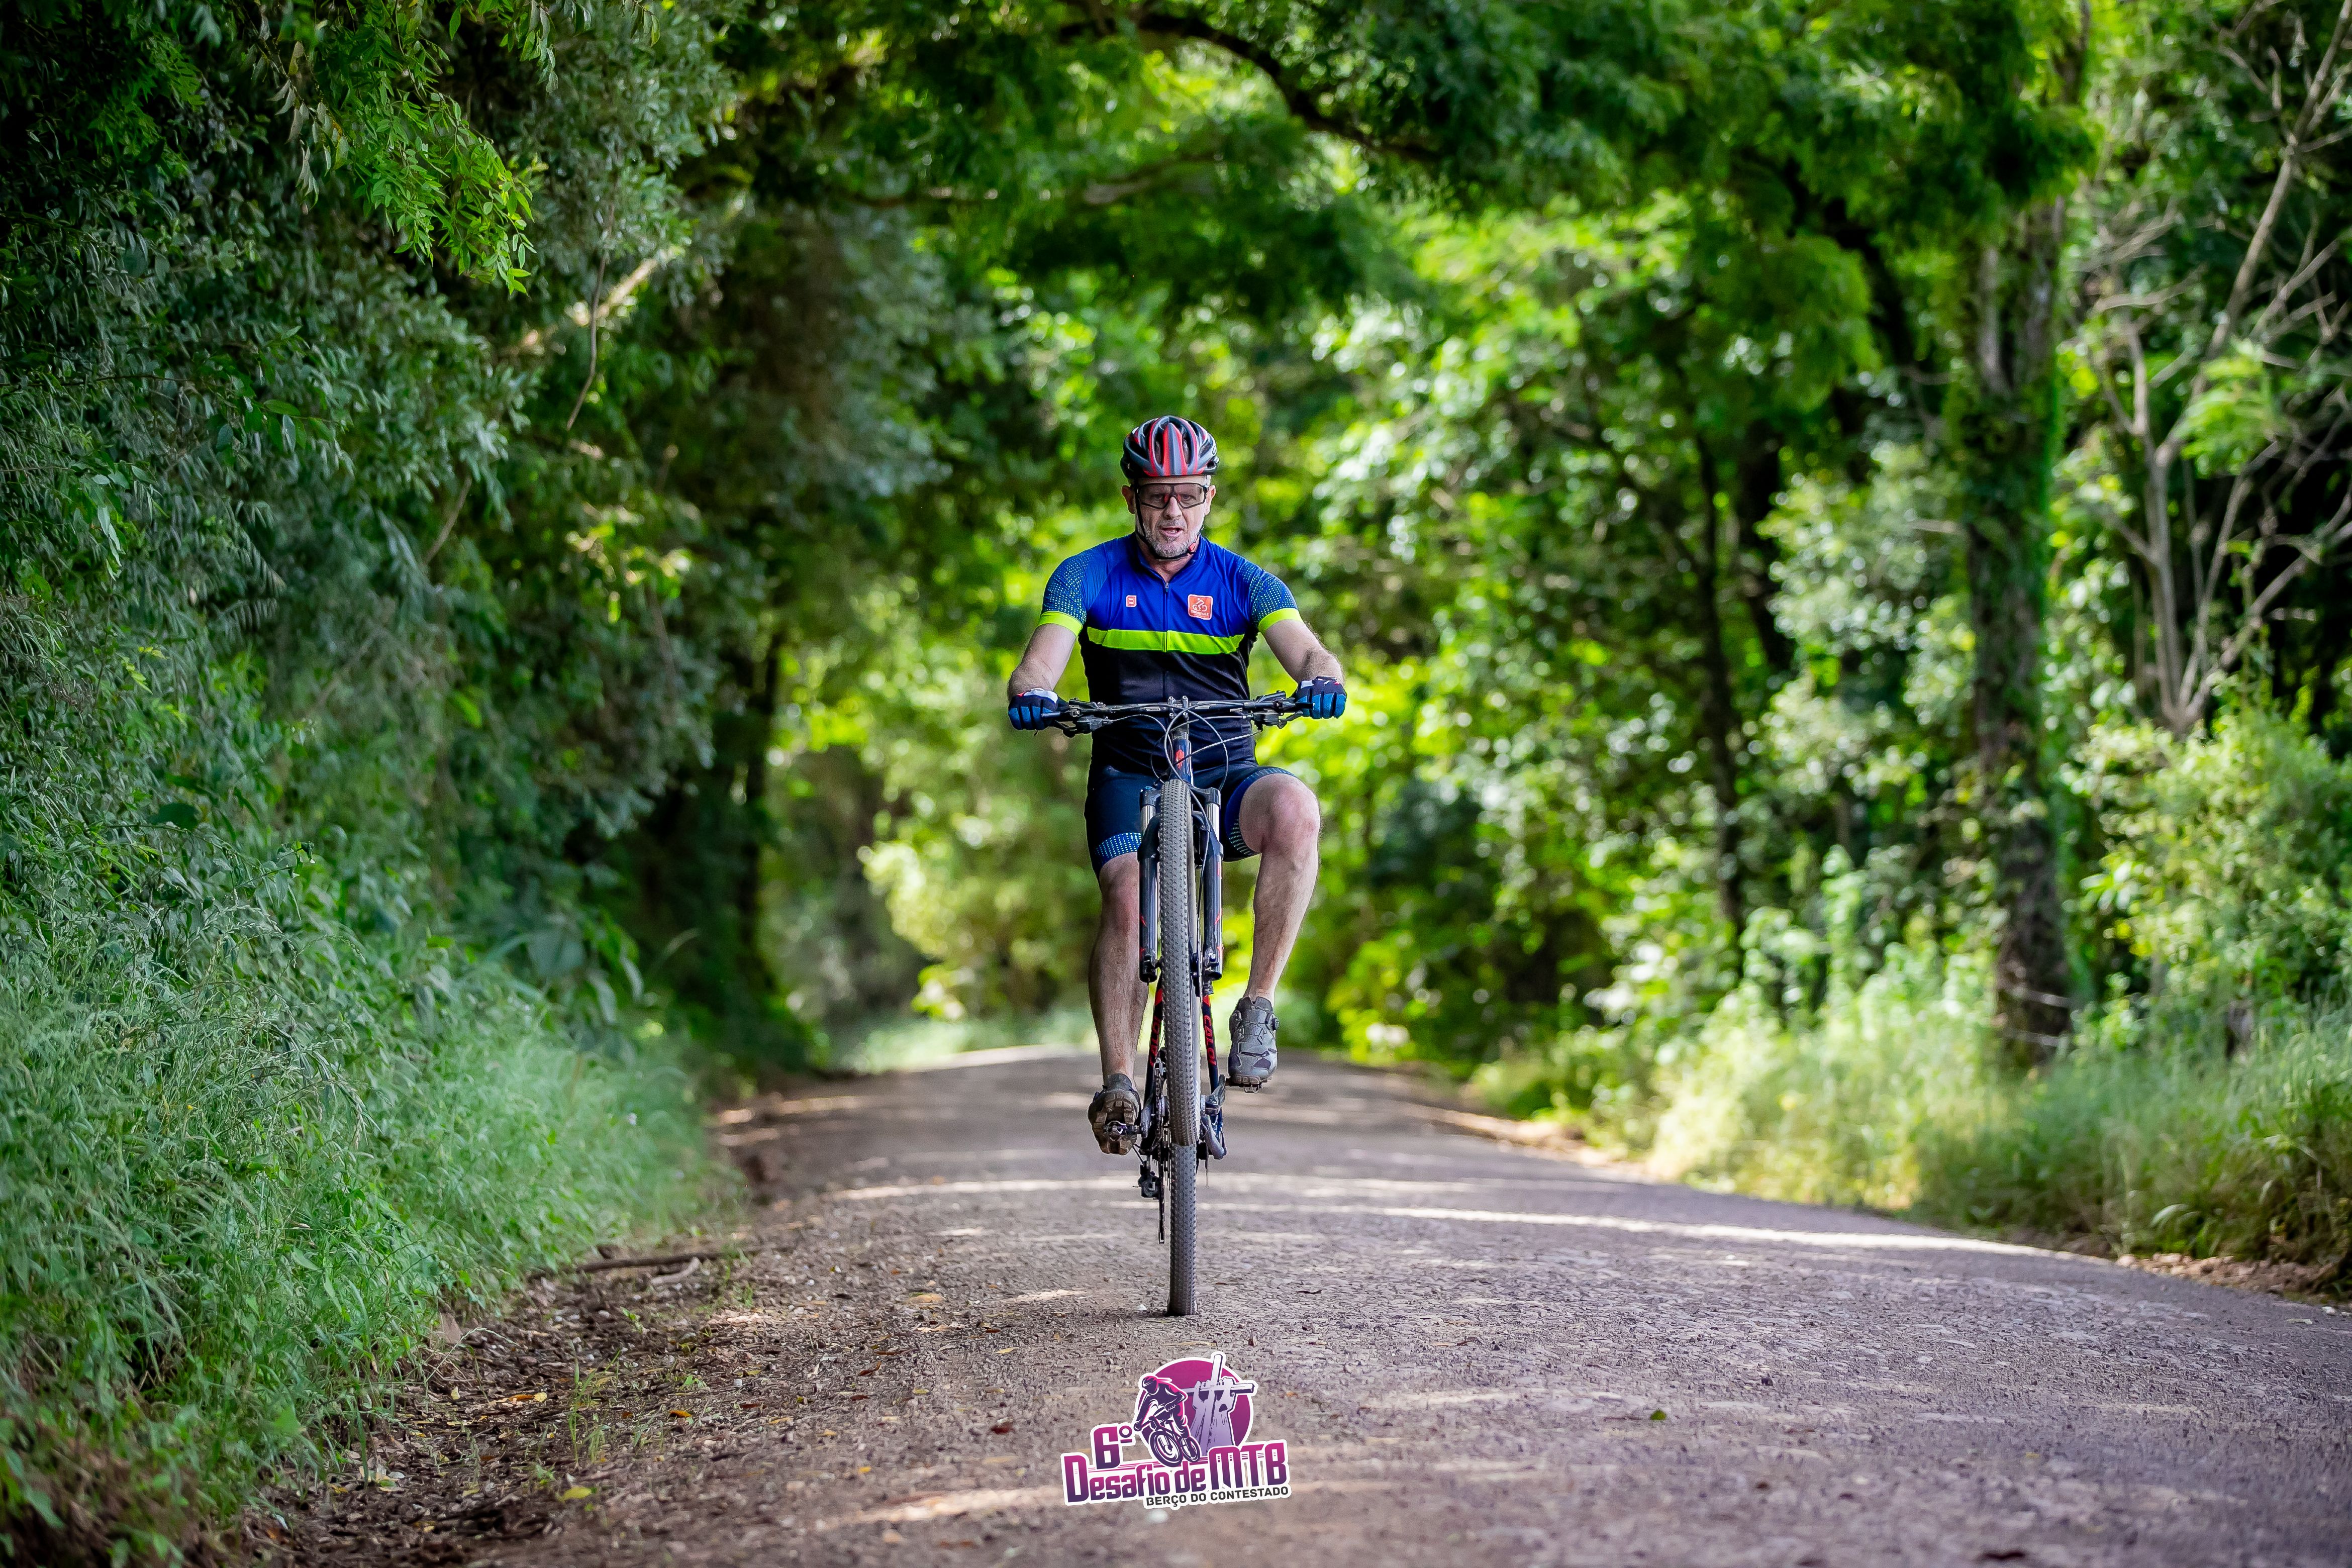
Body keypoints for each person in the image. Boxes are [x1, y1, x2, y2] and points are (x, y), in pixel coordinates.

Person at [1004, 415, 1345, 1155]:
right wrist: (1032, 691)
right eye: (1157, 495)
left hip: (1224, 773)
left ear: (1208, 498)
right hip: (1127, 773)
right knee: (1128, 897)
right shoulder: (1086, 575)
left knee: (1296, 807)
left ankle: (1257, 1007)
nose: (1173, 512)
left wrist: (1322, 679)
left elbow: (1310, 653)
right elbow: (1040, 664)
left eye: (1188, 495)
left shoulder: (1245, 580)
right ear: (1131, 498)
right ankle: (1119, 1084)